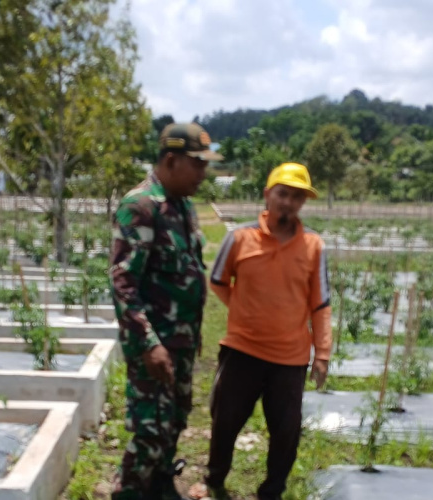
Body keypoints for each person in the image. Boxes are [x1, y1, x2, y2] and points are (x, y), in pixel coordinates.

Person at [196, 162, 332, 500]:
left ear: (303, 202)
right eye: (283, 194)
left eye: (297, 197)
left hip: (290, 358)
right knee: (225, 421)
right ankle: (214, 480)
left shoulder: (314, 245)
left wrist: (322, 354)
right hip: (242, 350)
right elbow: (218, 281)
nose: (289, 203)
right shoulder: (239, 237)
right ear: (267, 194)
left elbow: (321, 304)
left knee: (286, 432)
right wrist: (243, 310)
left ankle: (272, 492)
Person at [109, 123, 223, 500]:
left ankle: (160, 487)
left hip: (181, 341)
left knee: (175, 419)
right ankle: (128, 492)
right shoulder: (141, 206)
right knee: (150, 431)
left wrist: (192, 334)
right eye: (198, 164)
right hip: (154, 346)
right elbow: (124, 283)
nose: (204, 173)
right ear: (171, 161)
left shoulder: (183, 206)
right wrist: (149, 343)